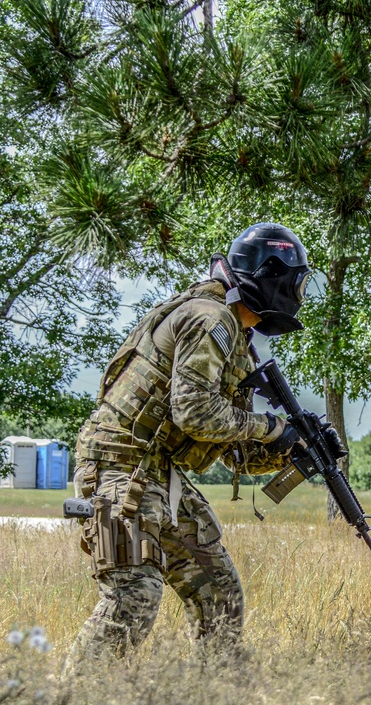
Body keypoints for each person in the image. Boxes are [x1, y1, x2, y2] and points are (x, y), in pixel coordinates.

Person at [66, 222, 330, 666]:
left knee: (218, 590)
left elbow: (234, 451)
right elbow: (195, 412)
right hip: (118, 467)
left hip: (155, 474)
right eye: (294, 282)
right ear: (270, 277)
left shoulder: (232, 333)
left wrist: (292, 448)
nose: (297, 294)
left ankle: (216, 691)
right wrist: (270, 427)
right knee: (133, 597)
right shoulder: (211, 319)